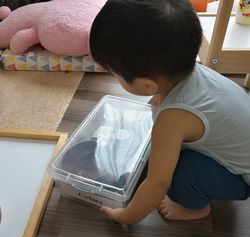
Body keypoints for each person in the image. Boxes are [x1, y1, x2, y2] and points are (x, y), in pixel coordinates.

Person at [89, 0, 250, 224]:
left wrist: (126, 216)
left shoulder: (172, 119)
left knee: (178, 172)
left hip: (243, 180)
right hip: (239, 149)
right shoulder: (193, 70)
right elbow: (160, 98)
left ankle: (194, 208)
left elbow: (157, 184)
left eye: (114, 75)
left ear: (147, 85)